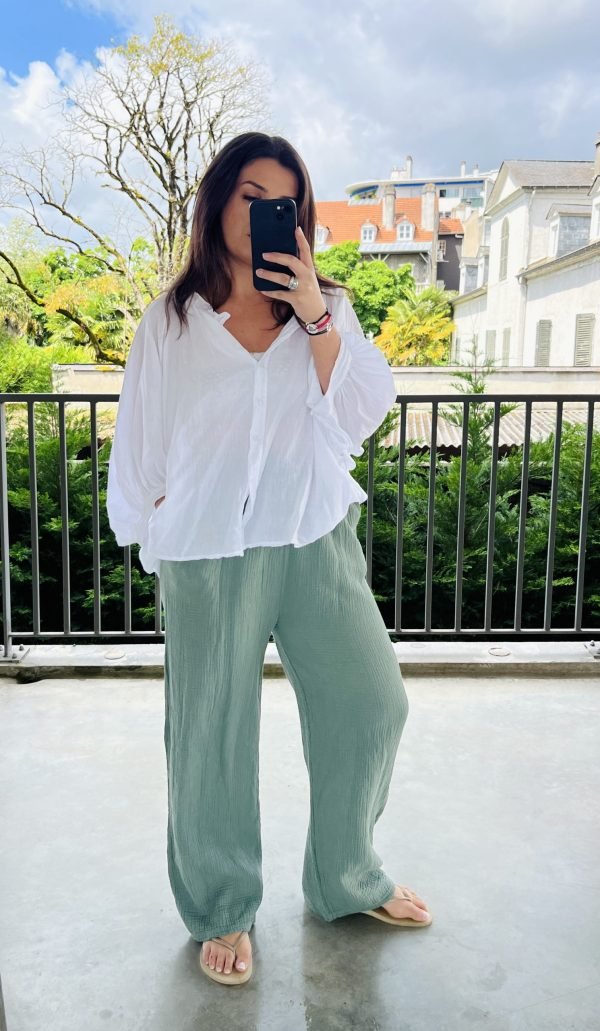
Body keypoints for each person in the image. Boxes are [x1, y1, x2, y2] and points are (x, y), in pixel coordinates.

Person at [106, 131, 431, 987]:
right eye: (250, 196)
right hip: (209, 547)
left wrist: (318, 315)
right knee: (210, 734)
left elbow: (361, 412)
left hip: (312, 531)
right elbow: (140, 433)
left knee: (372, 703)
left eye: (281, 200)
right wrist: (151, 522)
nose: (262, 214)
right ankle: (223, 904)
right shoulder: (173, 320)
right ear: (219, 202)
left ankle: (345, 876)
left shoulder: (325, 306)